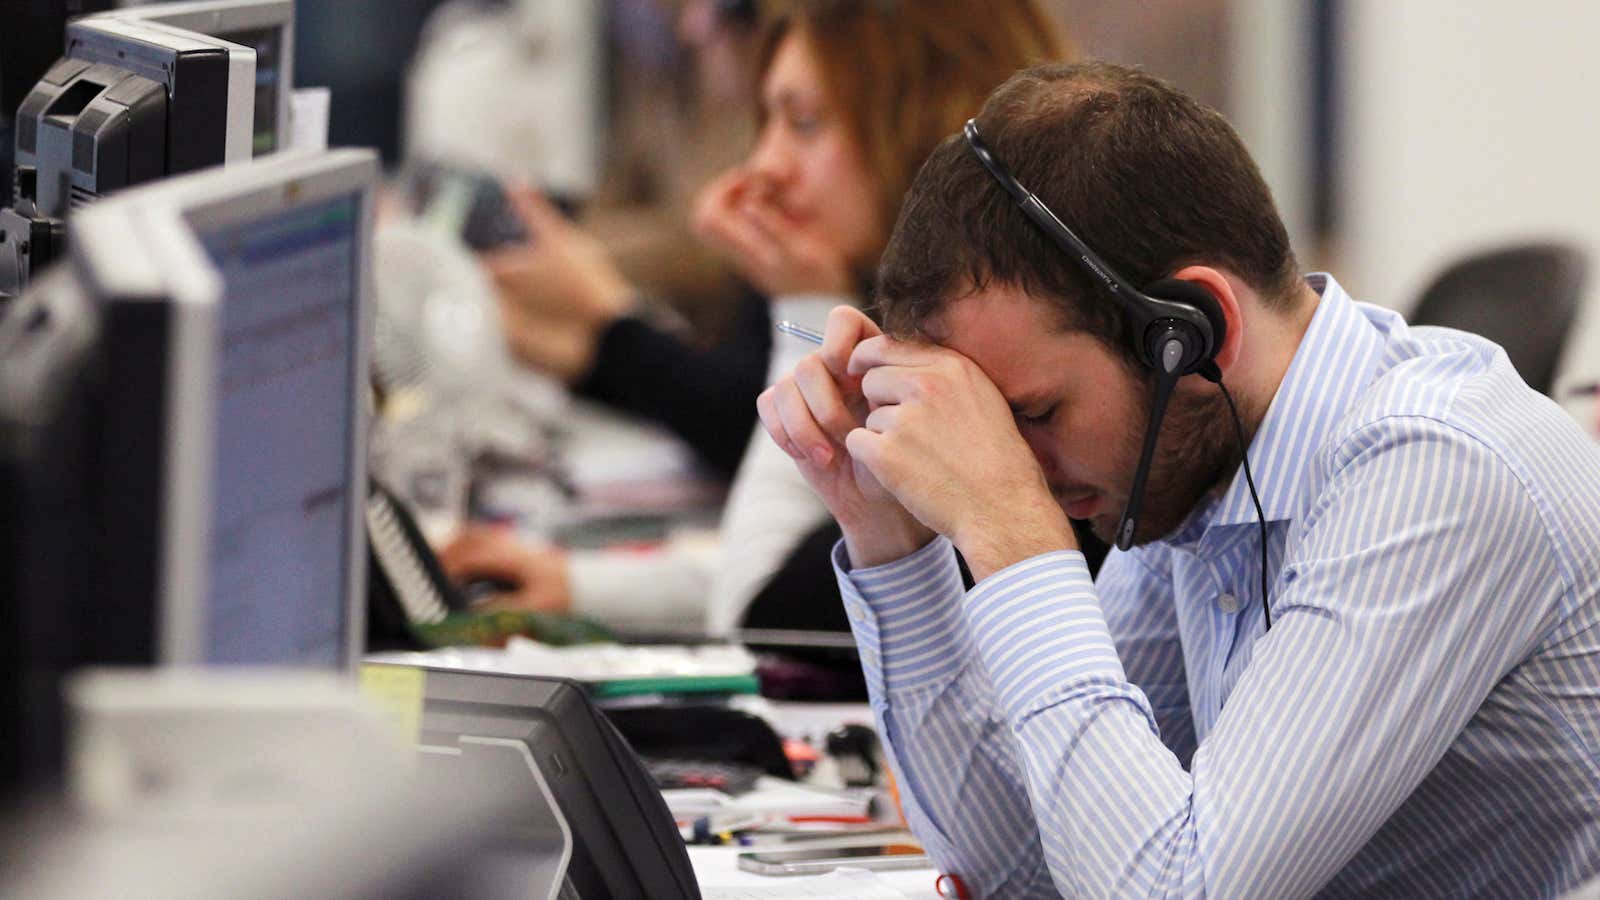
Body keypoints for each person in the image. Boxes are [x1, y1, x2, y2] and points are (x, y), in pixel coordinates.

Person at [758, 60, 1600, 896]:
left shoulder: (1437, 471)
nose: (1020, 465)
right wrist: (891, 538)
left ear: (1196, 332)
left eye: (1035, 415)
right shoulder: (1199, 465)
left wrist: (1014, 535)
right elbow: (1026, 872)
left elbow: (1172, 890)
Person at [442, 0, 1074, 635]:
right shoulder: (912, 310)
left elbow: (759, 602)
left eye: (802, 123)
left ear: (921, 125)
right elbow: (810, 565)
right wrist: (577, 583)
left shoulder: (1001, 373)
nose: (764, 166)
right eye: (765, 124)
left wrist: (796, 305)